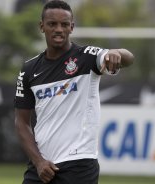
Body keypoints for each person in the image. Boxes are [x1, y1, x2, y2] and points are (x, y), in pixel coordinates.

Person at [14, 0, 134, 184]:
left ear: (72, 27)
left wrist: (116, 52)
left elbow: (128, 58)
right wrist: (38, 162)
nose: (59, 29)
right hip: (42, 167)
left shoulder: (87, 57)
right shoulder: (29, 69)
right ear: (42, 26)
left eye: (64, 24)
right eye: (52, 24)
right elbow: (21, 123)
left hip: (79, 164)